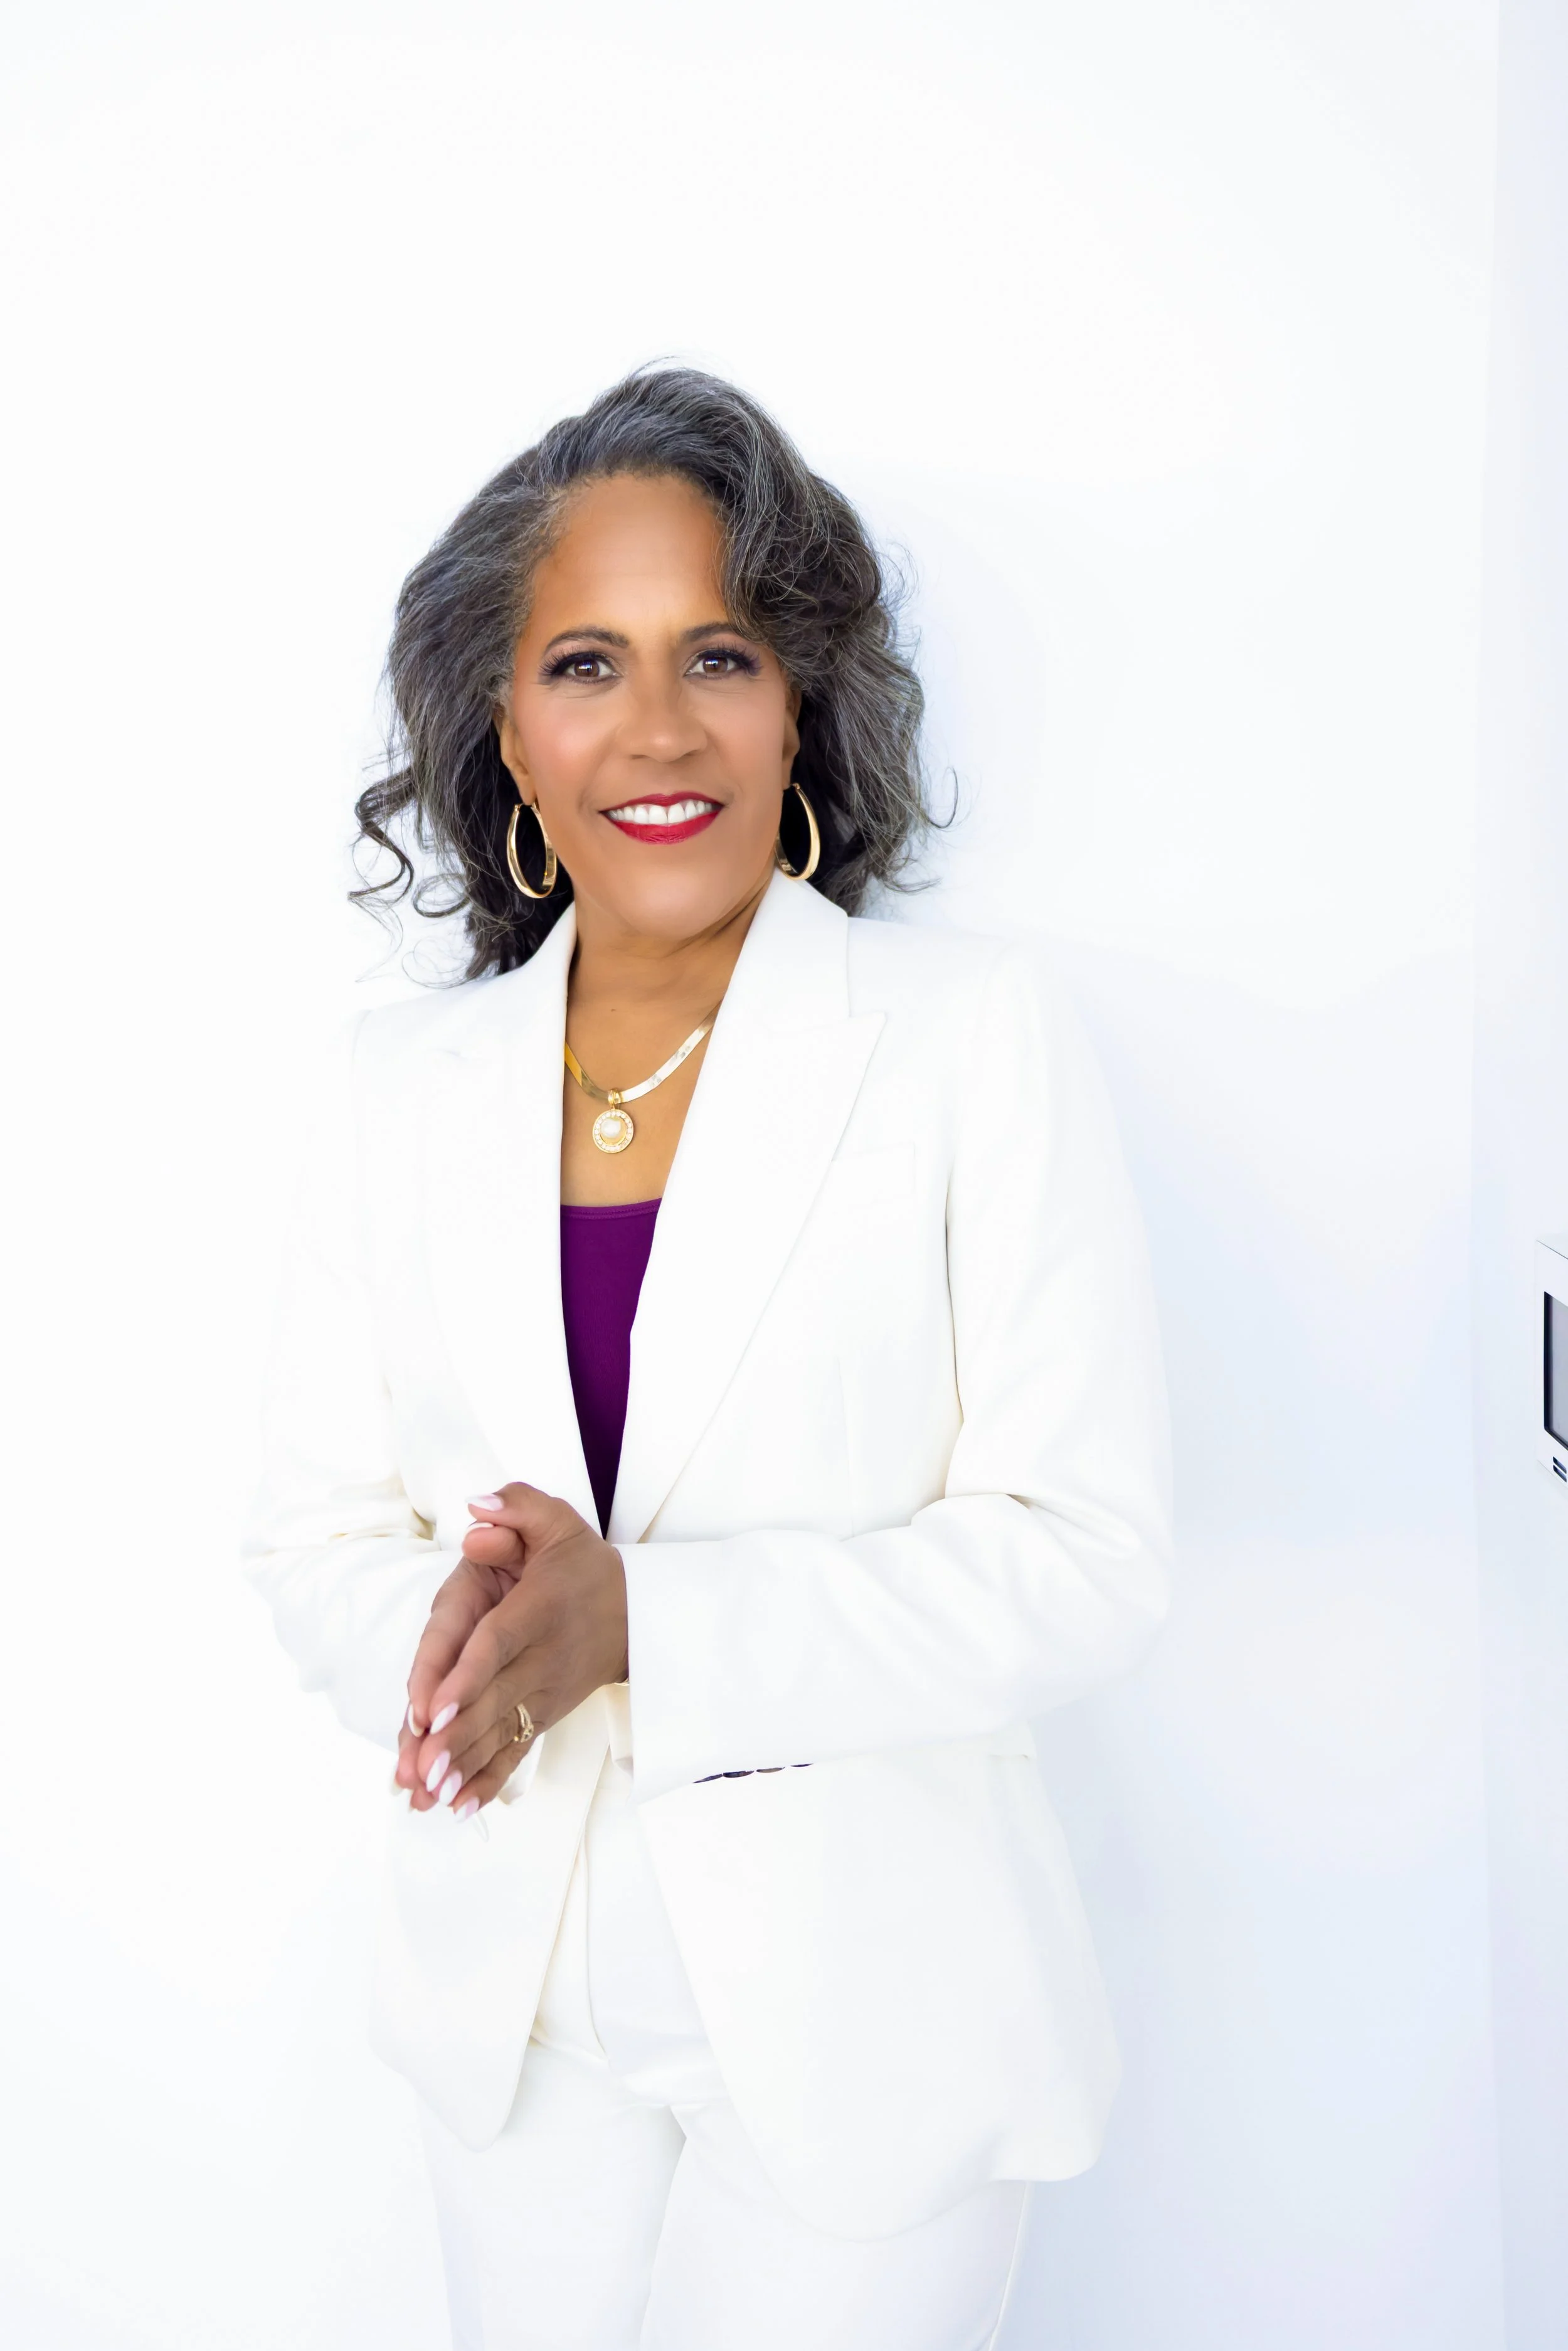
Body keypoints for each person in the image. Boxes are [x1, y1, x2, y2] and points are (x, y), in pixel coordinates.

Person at [242, 364, 1173, 2351]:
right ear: (503, 724)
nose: (656, 729)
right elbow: (311, 1531)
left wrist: (637, 1625)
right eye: (585, 660)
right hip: (511, 2011)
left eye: (719, 655)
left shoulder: (966, 1039)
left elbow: (1083, 1553)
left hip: (870, 2017)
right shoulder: (397, 1089)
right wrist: (456, 1637)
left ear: (797, 705)